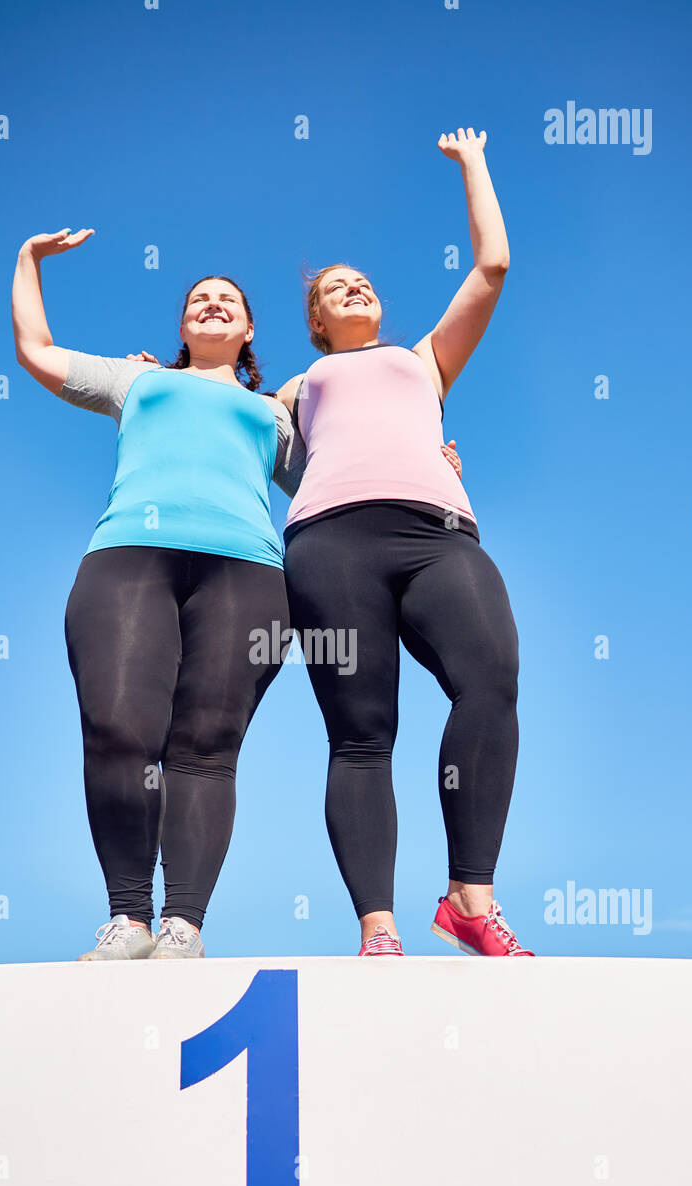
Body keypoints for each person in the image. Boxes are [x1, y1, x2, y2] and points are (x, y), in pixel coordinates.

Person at [276, 128, 534, 960]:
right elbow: (212, 414)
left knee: (490, 680)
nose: (353, 290)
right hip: (329, 544)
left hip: (438, 536)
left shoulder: (426, 360)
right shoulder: (295, 386)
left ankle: (470, 897)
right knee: (360, 733)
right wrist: (157, 370)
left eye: (363, 282)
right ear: (317, 321)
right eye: (335, 290)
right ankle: (377, 929)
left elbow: (491, 267)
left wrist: (473, 164)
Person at [12, 230, 304, 960]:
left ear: (247, 330)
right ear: (181, 327)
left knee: (205, 747)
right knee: (117, 727)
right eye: (198, 299)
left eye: (227, 300)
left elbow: (346, 479)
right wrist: (28, 261)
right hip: (128, 558)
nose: (212, 304)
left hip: (245, 571)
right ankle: (128, 919)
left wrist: (437, 465)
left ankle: (184, 927)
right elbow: (37, 352)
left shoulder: (275, 414)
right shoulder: (134, 381)